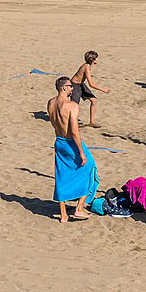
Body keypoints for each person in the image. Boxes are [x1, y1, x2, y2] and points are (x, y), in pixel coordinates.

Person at [48, 76, 97, 224]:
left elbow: (53, 122)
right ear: (63, 87)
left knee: (61, 175)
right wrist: (81, 152)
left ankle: (63, 214)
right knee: (90, 168)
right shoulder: (72, 106)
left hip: (59, 141)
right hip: (70, 142)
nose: (72, 88)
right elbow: (75, 131)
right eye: (70, 86)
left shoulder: (51, 103)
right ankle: (79, 208)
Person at [70, 50, 111, 128]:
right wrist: (103, 89)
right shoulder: (86, 67)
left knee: (94, 100)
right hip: (75, 85)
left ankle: (92, 122)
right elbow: (91, 84)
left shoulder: (88, 66)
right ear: (92, 59)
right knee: (74, 105)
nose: (97, 60)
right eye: (96, 58)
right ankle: (72, 123)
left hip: (81, 84)